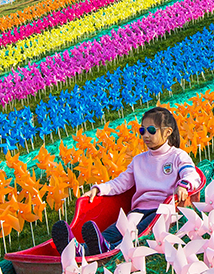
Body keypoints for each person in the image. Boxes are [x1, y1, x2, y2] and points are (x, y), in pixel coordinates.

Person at [53, 106, 199, 257]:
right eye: (142, 131)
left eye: (151, 130)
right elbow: (121, 182)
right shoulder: (139, 160)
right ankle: (81, 249)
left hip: (165, 209)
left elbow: (191, 174)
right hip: (140, 208)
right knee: (120, 228)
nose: (146, 135)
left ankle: (112, 249)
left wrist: (184, 185)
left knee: (140, 231)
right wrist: (99, 189)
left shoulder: (177, 156)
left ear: (167, 132)